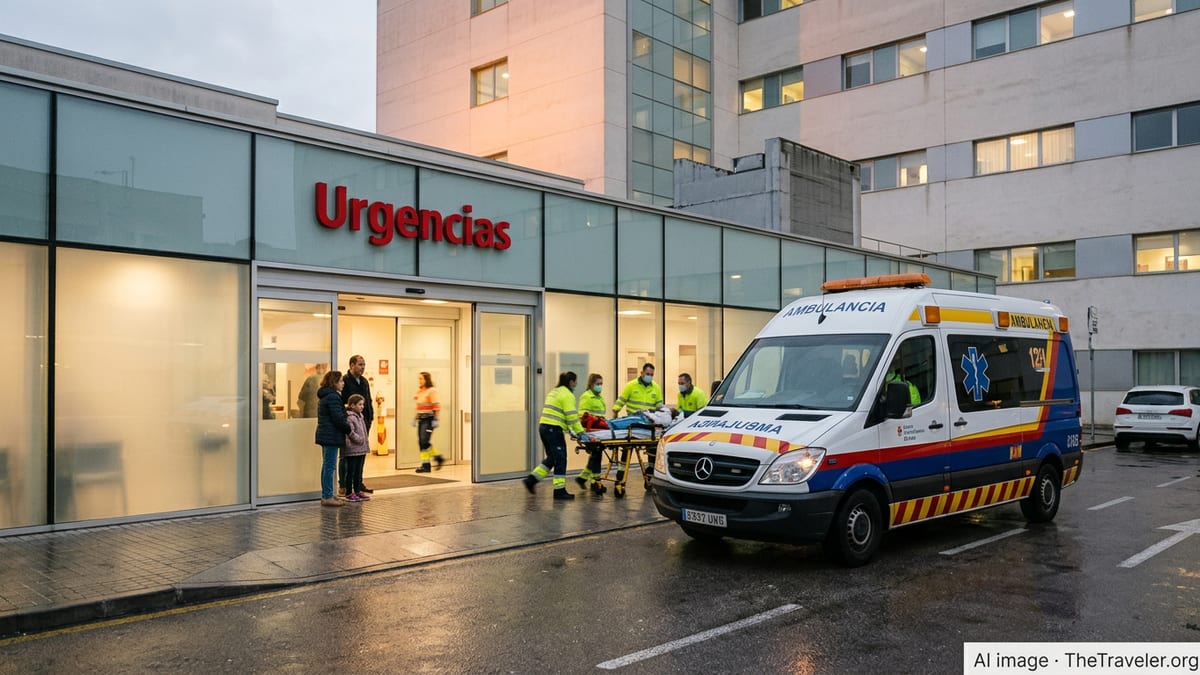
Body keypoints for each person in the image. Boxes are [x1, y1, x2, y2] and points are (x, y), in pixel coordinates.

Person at [524, 371, 586, 500]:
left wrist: (571, 431)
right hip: (553, 429)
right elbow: (572, 417)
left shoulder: (554, 391)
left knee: (552, 458)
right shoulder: (567, 395)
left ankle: (532, 480)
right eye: (575, 381)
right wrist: (581, 433)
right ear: (571, 382)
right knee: (561, 459)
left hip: (544, 428)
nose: (577, 384)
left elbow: (562, 415)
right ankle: (559, 491)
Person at [314, 369, 349, 507]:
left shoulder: (326, 396)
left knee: (327, 465)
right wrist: (348, 428)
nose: (343, 383)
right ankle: (327, 496)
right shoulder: (333, 397)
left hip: (326, 434)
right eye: (341, 381)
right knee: (329, 466)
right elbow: (338, 418)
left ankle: (327, 494)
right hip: (331, 435)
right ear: (334, 382)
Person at [340, 356, 375, 494]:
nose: (363, 367)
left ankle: (358, 482)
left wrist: (370, 416)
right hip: (352, 422)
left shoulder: (364, 381)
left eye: (364, 365)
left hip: (364, 420)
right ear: (352, 365)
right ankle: (344, 484)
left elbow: (369, 400)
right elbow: (343, 402)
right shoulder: (345, 381)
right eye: (360, 364)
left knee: (361, 453)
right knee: (348, 455)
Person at [575, 373, 607, 492]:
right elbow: (583, 416)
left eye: (601, 384)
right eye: (598, 384)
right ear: (591, 384)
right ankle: (595, 481)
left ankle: (583, 478)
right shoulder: (587, 396)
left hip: (599, 430)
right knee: (597, 453)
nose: (600, 386)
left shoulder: (600, 397)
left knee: (595, 454)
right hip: (591, 431)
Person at [340, 394, 371, 502]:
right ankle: (349, 492)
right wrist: (359, 439)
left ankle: (357, 490)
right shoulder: (350, 417)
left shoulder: (360, 417)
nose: (362, 407)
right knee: (351, 471)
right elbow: (350, 432)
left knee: (359, 471)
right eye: (360, 404)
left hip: (361, 449)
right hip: (353, 449)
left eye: (363, 404)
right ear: (352, 405)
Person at [414, 371, 444, 472]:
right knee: (421, 443)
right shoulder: (419, 391)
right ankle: (425, 465)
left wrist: (436, 419)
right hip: (421, 419)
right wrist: (415, 418)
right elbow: (418, 407)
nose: (419, 381)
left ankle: (438, 457)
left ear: (426, 379)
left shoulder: (432, 391)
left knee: (424, 441)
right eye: (418, 379)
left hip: (429, 419)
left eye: (421, 379)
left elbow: (437, 406)